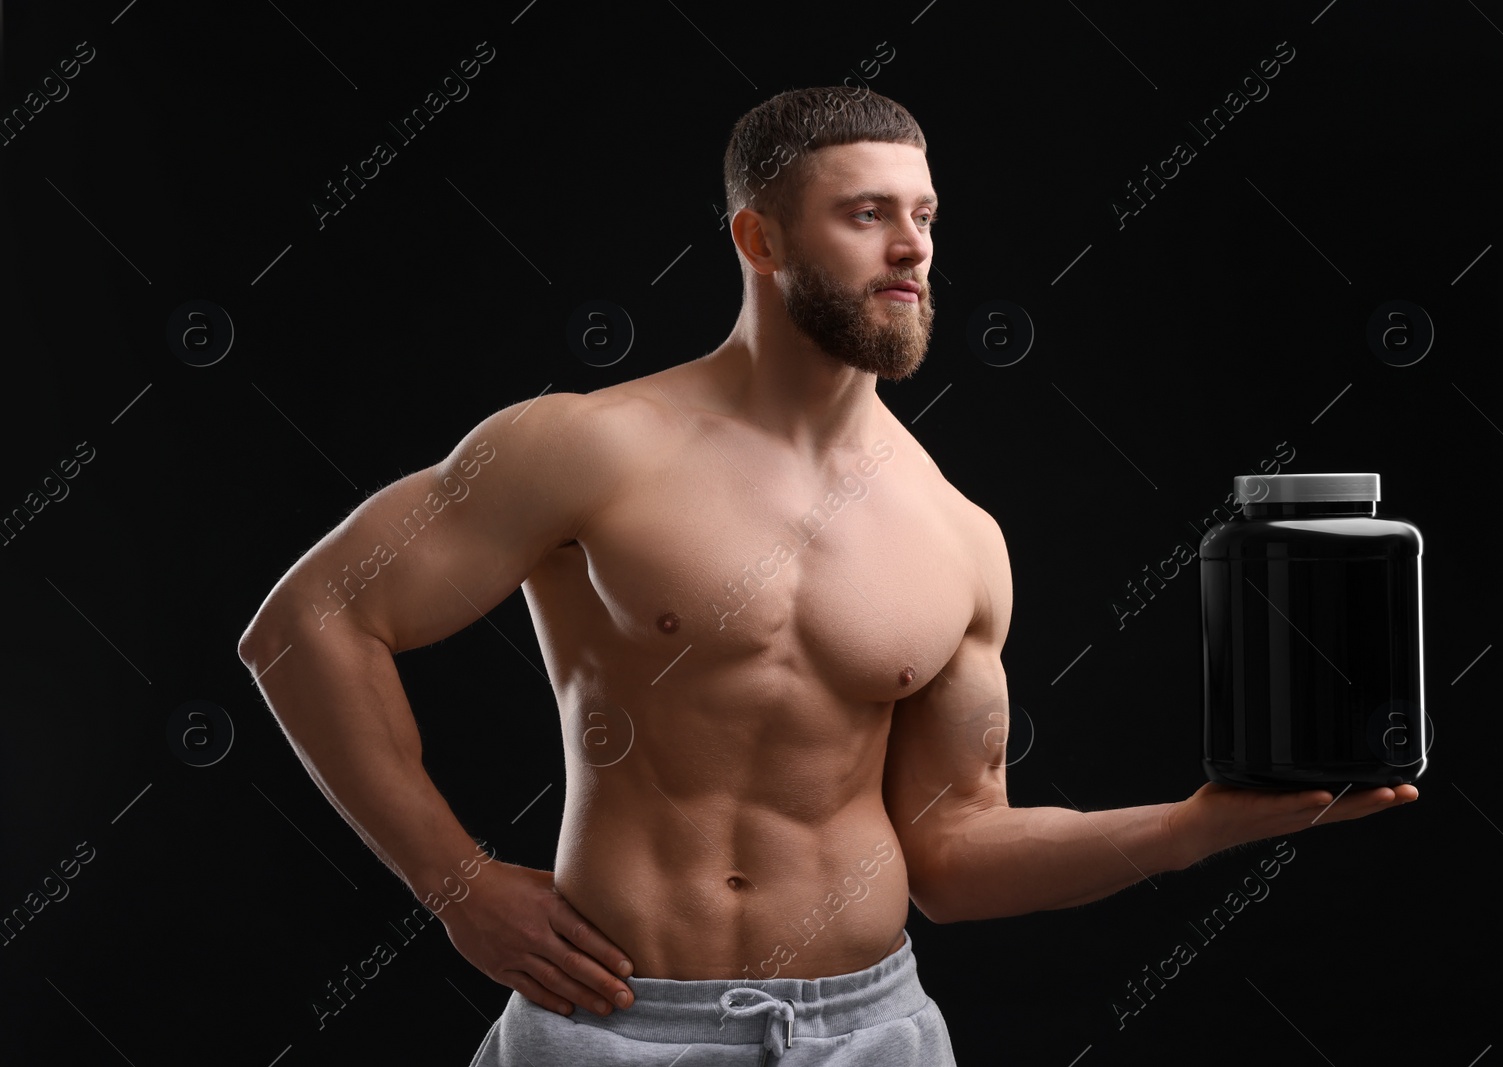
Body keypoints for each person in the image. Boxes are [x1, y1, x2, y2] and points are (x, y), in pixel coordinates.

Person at [237, 86, 1418, 1065]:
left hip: (873, 1032)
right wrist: (457, 885)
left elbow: (953, 853)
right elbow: (307, 625)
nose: (914, 248)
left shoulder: (959, 533)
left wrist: (1192, 826)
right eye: (867, 215)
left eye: (925, 215)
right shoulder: (586, 445)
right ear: (759, 238)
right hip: (617, 1028)